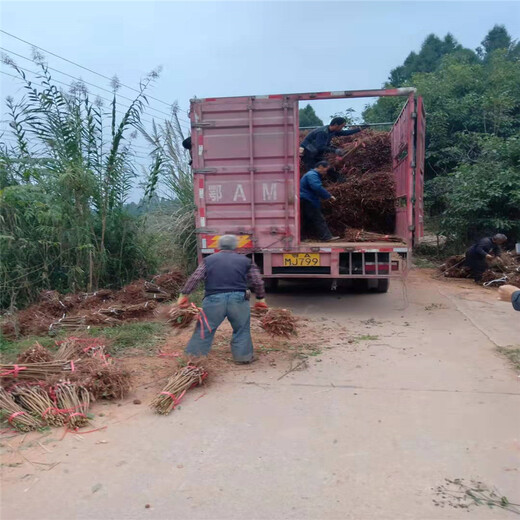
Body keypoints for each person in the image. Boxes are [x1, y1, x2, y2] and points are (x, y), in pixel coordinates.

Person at [177, 235, 268, 364]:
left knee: (205, 328)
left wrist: (184, 295)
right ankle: (243, 358)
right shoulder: (246, 261)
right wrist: (260, 299)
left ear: (218, 246)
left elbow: (195, 278)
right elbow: (257, 281)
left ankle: (193, 358)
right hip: (238, 299)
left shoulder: (208, 260)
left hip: (213, 299)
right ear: (236, 246)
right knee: (241, 328)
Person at [300, 160, 339, 242]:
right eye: (326, 169)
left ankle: (301, 238)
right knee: (318, 218)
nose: (326, 172)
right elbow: (316, 187)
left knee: (305, 219)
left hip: (305, 199)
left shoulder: (311, 174)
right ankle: (326, 237)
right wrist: (328, 196)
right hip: (308, 199)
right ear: (320, 167)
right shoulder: (312, 175)